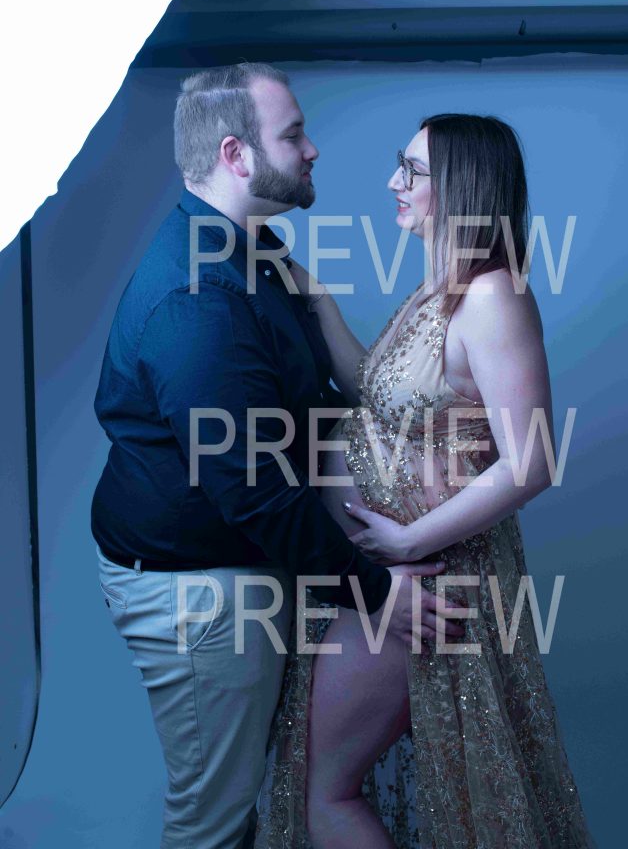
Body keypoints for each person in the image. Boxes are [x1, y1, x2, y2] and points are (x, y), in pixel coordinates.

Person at [91, 64, 460, 849]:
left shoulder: (253, 252)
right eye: (293, 135)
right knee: (215, 821)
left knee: (263, 791)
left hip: (245, 566)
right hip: (201, 590)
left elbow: (305, 402)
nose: (313, 149)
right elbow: (254, 489)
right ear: (235, 155)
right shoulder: (199, 300)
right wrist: (375, 593)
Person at [255, 114, 597, 848]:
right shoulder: (438, 287)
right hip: (393, 572)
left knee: (325, 791)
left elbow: (531, 460)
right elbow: (375, 391)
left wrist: (408, 543)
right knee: (324, 783)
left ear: (461, 186)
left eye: (411, 170)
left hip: (426, 576)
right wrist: (312, 296)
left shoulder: (493, 297)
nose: (393, 182)